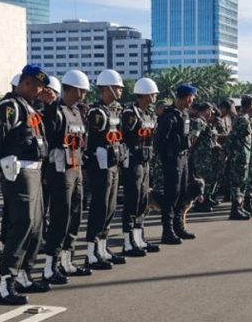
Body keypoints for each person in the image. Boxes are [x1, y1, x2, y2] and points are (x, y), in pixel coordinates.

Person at [0, 65, 50, 305]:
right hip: (19, 171)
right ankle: (6, 281)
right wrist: (0, 170)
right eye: (36, 85)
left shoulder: (31, 108)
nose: (39, 90)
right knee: (22, 223)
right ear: (24, 83)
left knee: (36, 225)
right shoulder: (10, 107)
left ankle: (25, 274)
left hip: (34, 171)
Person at [40, 70, 93, 284]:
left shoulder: (77, 111)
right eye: (81, 90)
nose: (83, 95)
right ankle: (49, 266)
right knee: (60, 217)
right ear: (70, 89)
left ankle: (67, 260)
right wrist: (50, 108)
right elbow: (49, 138)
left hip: (76, 166)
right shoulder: (56, 111)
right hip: (60, 169)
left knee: (75, 215)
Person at [84, 69, 128, 269]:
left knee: (110, 208)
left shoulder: (114, 110)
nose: (120, 91)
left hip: (112, 163)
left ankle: (102, 247)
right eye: (117, 87)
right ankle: (91, 252)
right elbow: (90, 141)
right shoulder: (96, 113)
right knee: (99, 207)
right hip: (99, 166)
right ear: (107, 88)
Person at [121, 77, 161, 256]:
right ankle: (128, 241)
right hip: (133, 162)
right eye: (153, 93)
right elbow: (125, 138)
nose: (155, 96)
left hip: (145, 162)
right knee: (132, 200)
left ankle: (139, 237)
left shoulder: (149, 114)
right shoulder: (130, 113)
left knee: (142, 201)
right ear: (144, 94)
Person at [155, 84, 197, 241]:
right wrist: (168, 158)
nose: (192, 101)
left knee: (182, 194)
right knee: (171, 196)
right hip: (173, 160)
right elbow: (160, 141)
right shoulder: (169, 116)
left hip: (183, 157)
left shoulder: (184, 115)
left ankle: (178, 227)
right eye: (192, 97)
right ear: (186, 97)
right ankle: (168, 231)